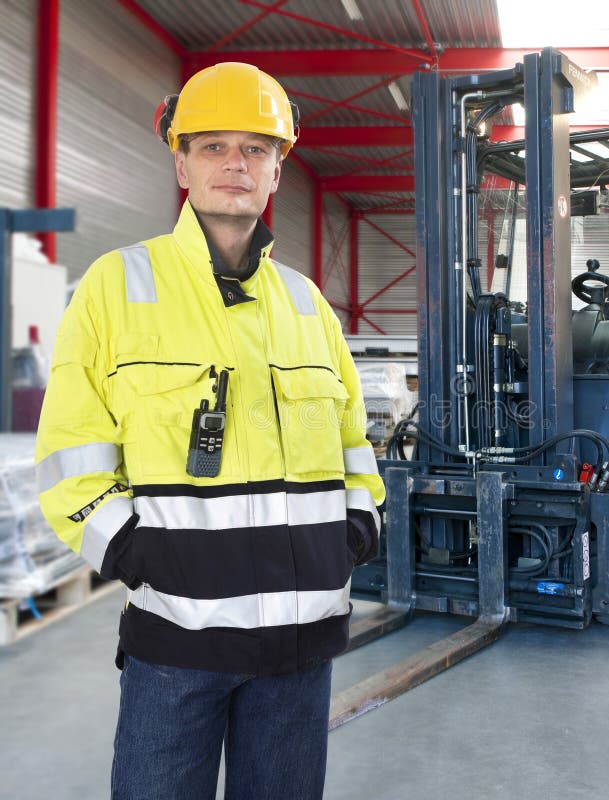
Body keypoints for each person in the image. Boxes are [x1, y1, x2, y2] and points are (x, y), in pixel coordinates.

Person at [35, 61, 385, 800]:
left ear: (278, 171)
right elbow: (71, 459)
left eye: (256, 148)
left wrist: (355, 530)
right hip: (177, 647)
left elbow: (356, 444)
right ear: (181, 162)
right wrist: (141, 556)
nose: (236, 163)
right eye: (214, 146)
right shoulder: (117, 287)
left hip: (300, 651)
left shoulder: (308, 305)